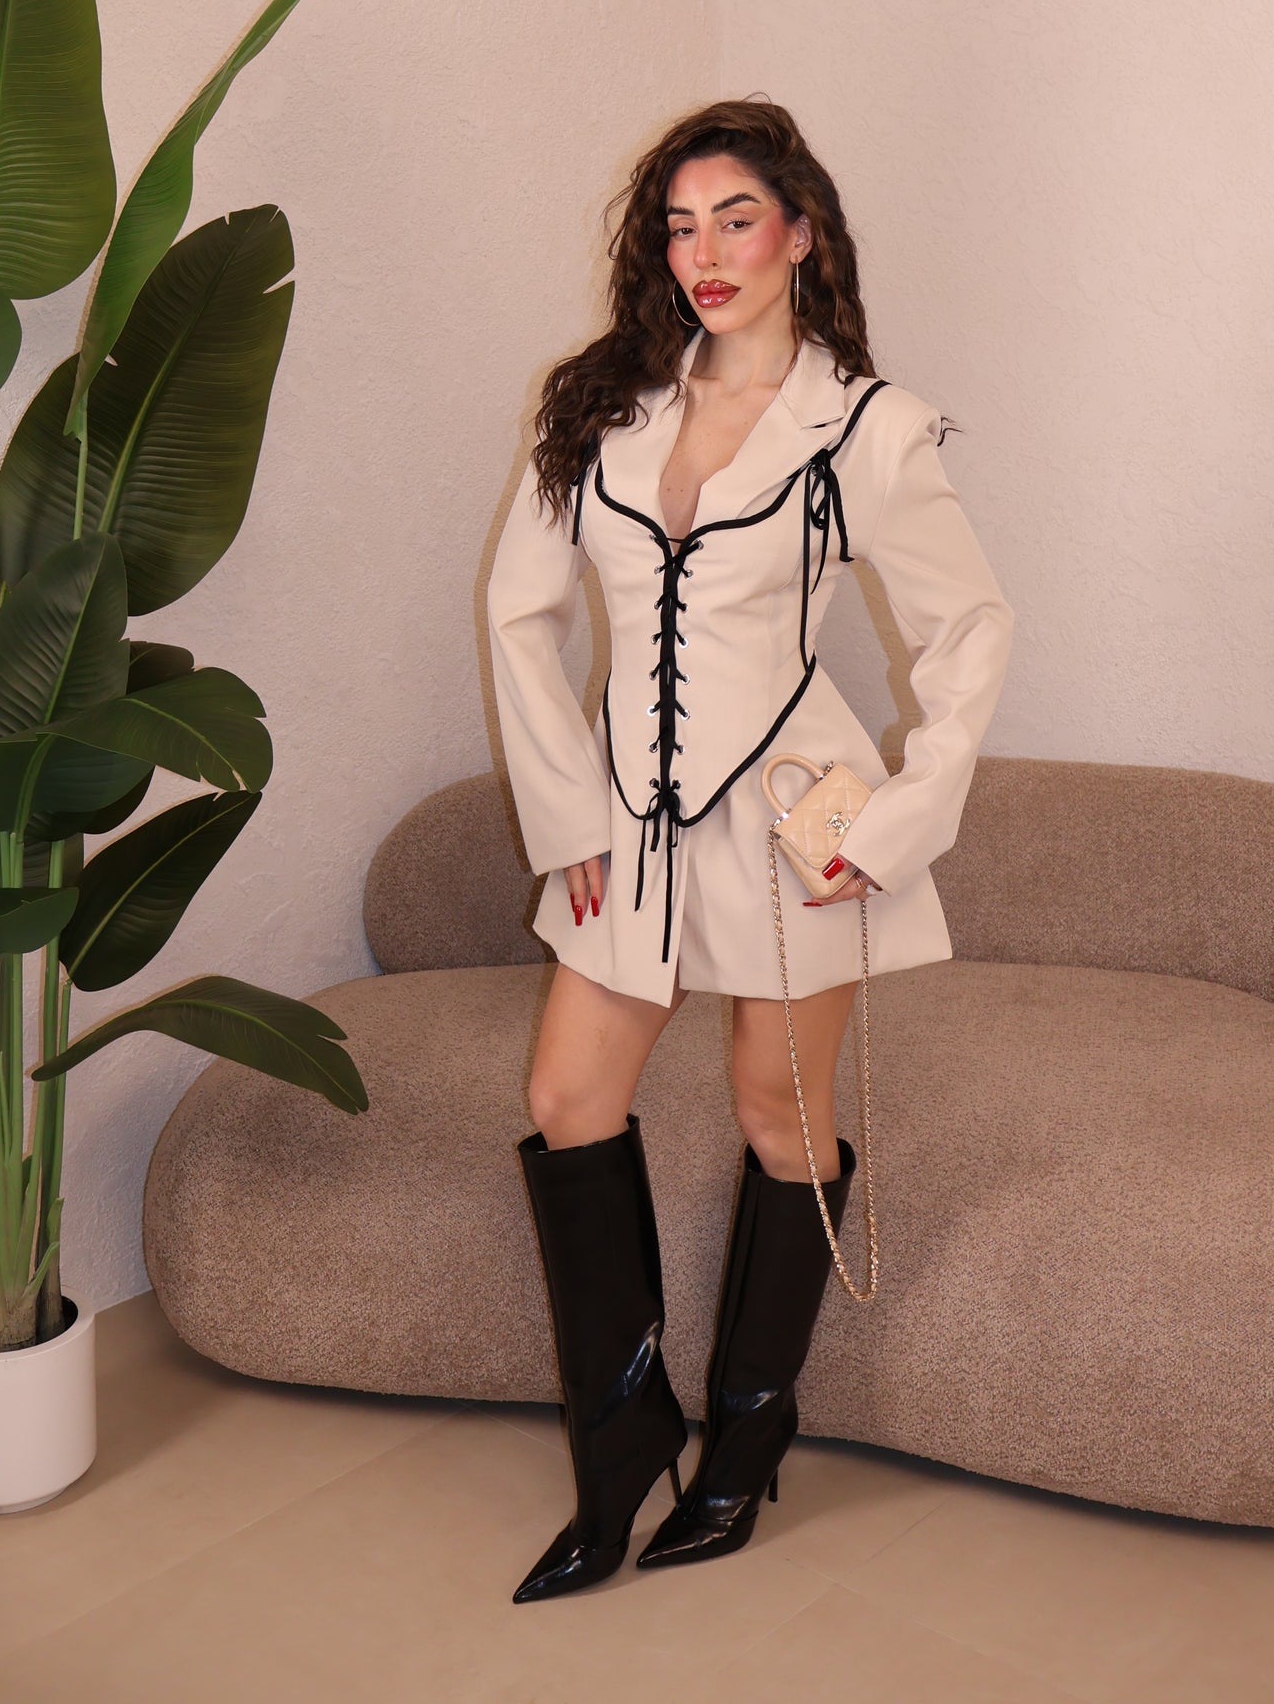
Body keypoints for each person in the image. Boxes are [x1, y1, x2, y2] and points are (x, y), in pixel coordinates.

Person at [487, 99, 1015, 1602]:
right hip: (624, 819)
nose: (705, 252)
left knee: (779, 1116)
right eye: (679, 225)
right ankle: (621, 1441)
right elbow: (521, 614)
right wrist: (567, 816)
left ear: (800, 232)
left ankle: (748, 1435)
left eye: (736, 218)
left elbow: (972, 628)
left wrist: (895, 825)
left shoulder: (868, 427)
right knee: (566, 1098)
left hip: (793, 814)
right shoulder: (603, 405)